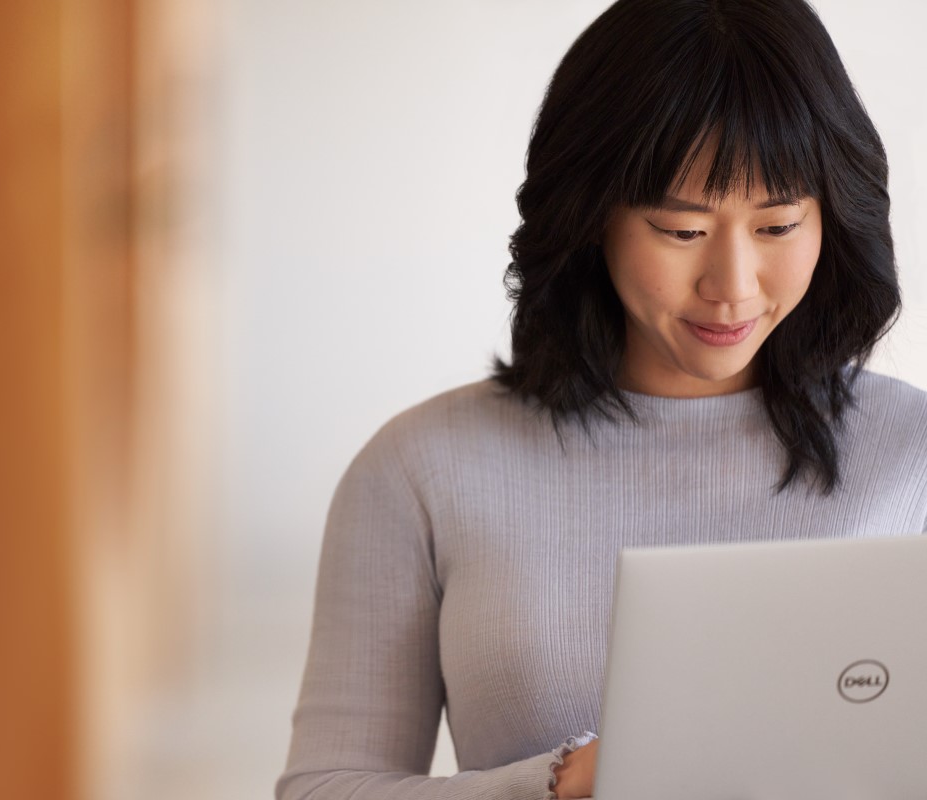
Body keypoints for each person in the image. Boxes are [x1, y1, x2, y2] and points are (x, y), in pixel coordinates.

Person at [276, 1, 927, 798]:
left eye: (779, 225)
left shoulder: (913, 454)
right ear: (592, 218)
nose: (733, 287)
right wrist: (560, 785)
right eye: (680, 230)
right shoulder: (422, 469)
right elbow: (323, 788)